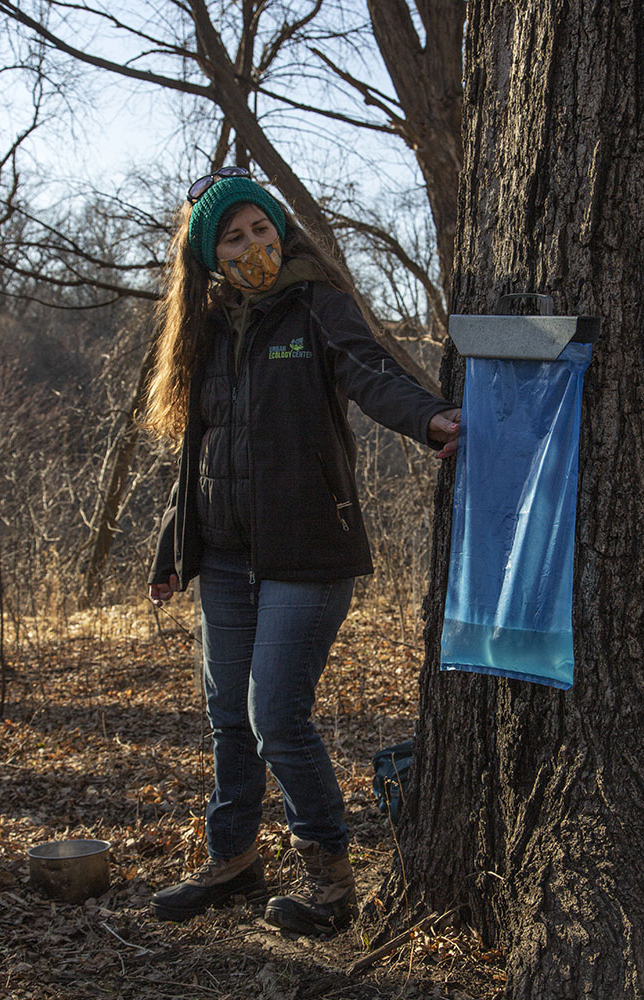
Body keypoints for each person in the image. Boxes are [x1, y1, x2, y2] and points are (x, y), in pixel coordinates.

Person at [145, 166, 460, 936]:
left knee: (275, 714)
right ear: (206, 257)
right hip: (222, 554)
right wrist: (172, 545)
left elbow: (372, 372)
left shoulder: (316, 304)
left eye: (261, 228)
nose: (254, 246)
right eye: (233, 236)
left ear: (281, 230)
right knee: (227, 714)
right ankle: (233, 859)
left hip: (307, 549)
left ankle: (328, 881)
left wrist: (429, 421)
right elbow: (200, 449)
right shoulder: (207, 330)